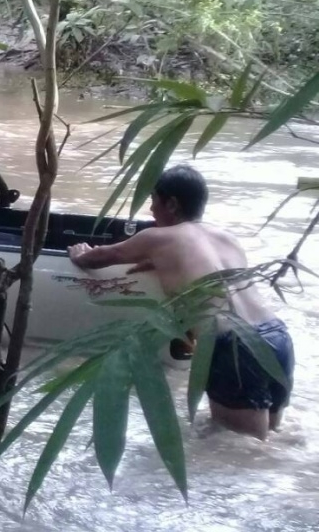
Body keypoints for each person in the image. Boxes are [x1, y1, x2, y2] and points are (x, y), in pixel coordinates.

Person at [68, 165, 294, 440]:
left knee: (237, 450)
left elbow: (99, 258)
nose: (151, 209)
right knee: (270, 439)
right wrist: (159, 262)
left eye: (154, 200)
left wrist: (79, 253)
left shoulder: (157, 237)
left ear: (172, 204)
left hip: (233, 345)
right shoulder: (227, 238)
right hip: (276, 336)